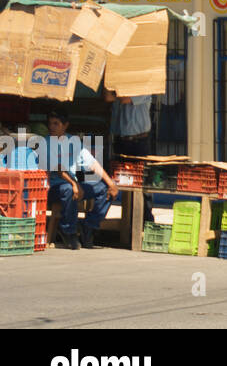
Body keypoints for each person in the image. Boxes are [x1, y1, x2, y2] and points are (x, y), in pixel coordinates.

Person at [46, 108, 118, 250]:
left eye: (56, 124)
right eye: (50, 123)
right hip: (53, 188)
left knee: (103, 188)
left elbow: (92, 163)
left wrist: (111, 184)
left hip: (72, 184)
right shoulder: (46, 142)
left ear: (65, 125)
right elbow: (58, 168)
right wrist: (74, 184)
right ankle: (68, 231)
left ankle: (89, 226)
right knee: (68, 189)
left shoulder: (73, 142)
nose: (51, 127)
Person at [107, 89, 154, 222]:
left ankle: (146, 220)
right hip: (121, 140)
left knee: (142, 182)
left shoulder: (145, 86)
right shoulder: (119, 87)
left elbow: (125, 99)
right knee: (119, 180)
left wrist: (115, 92)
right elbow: (108, 97)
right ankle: (129, 220)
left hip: (139, 141)